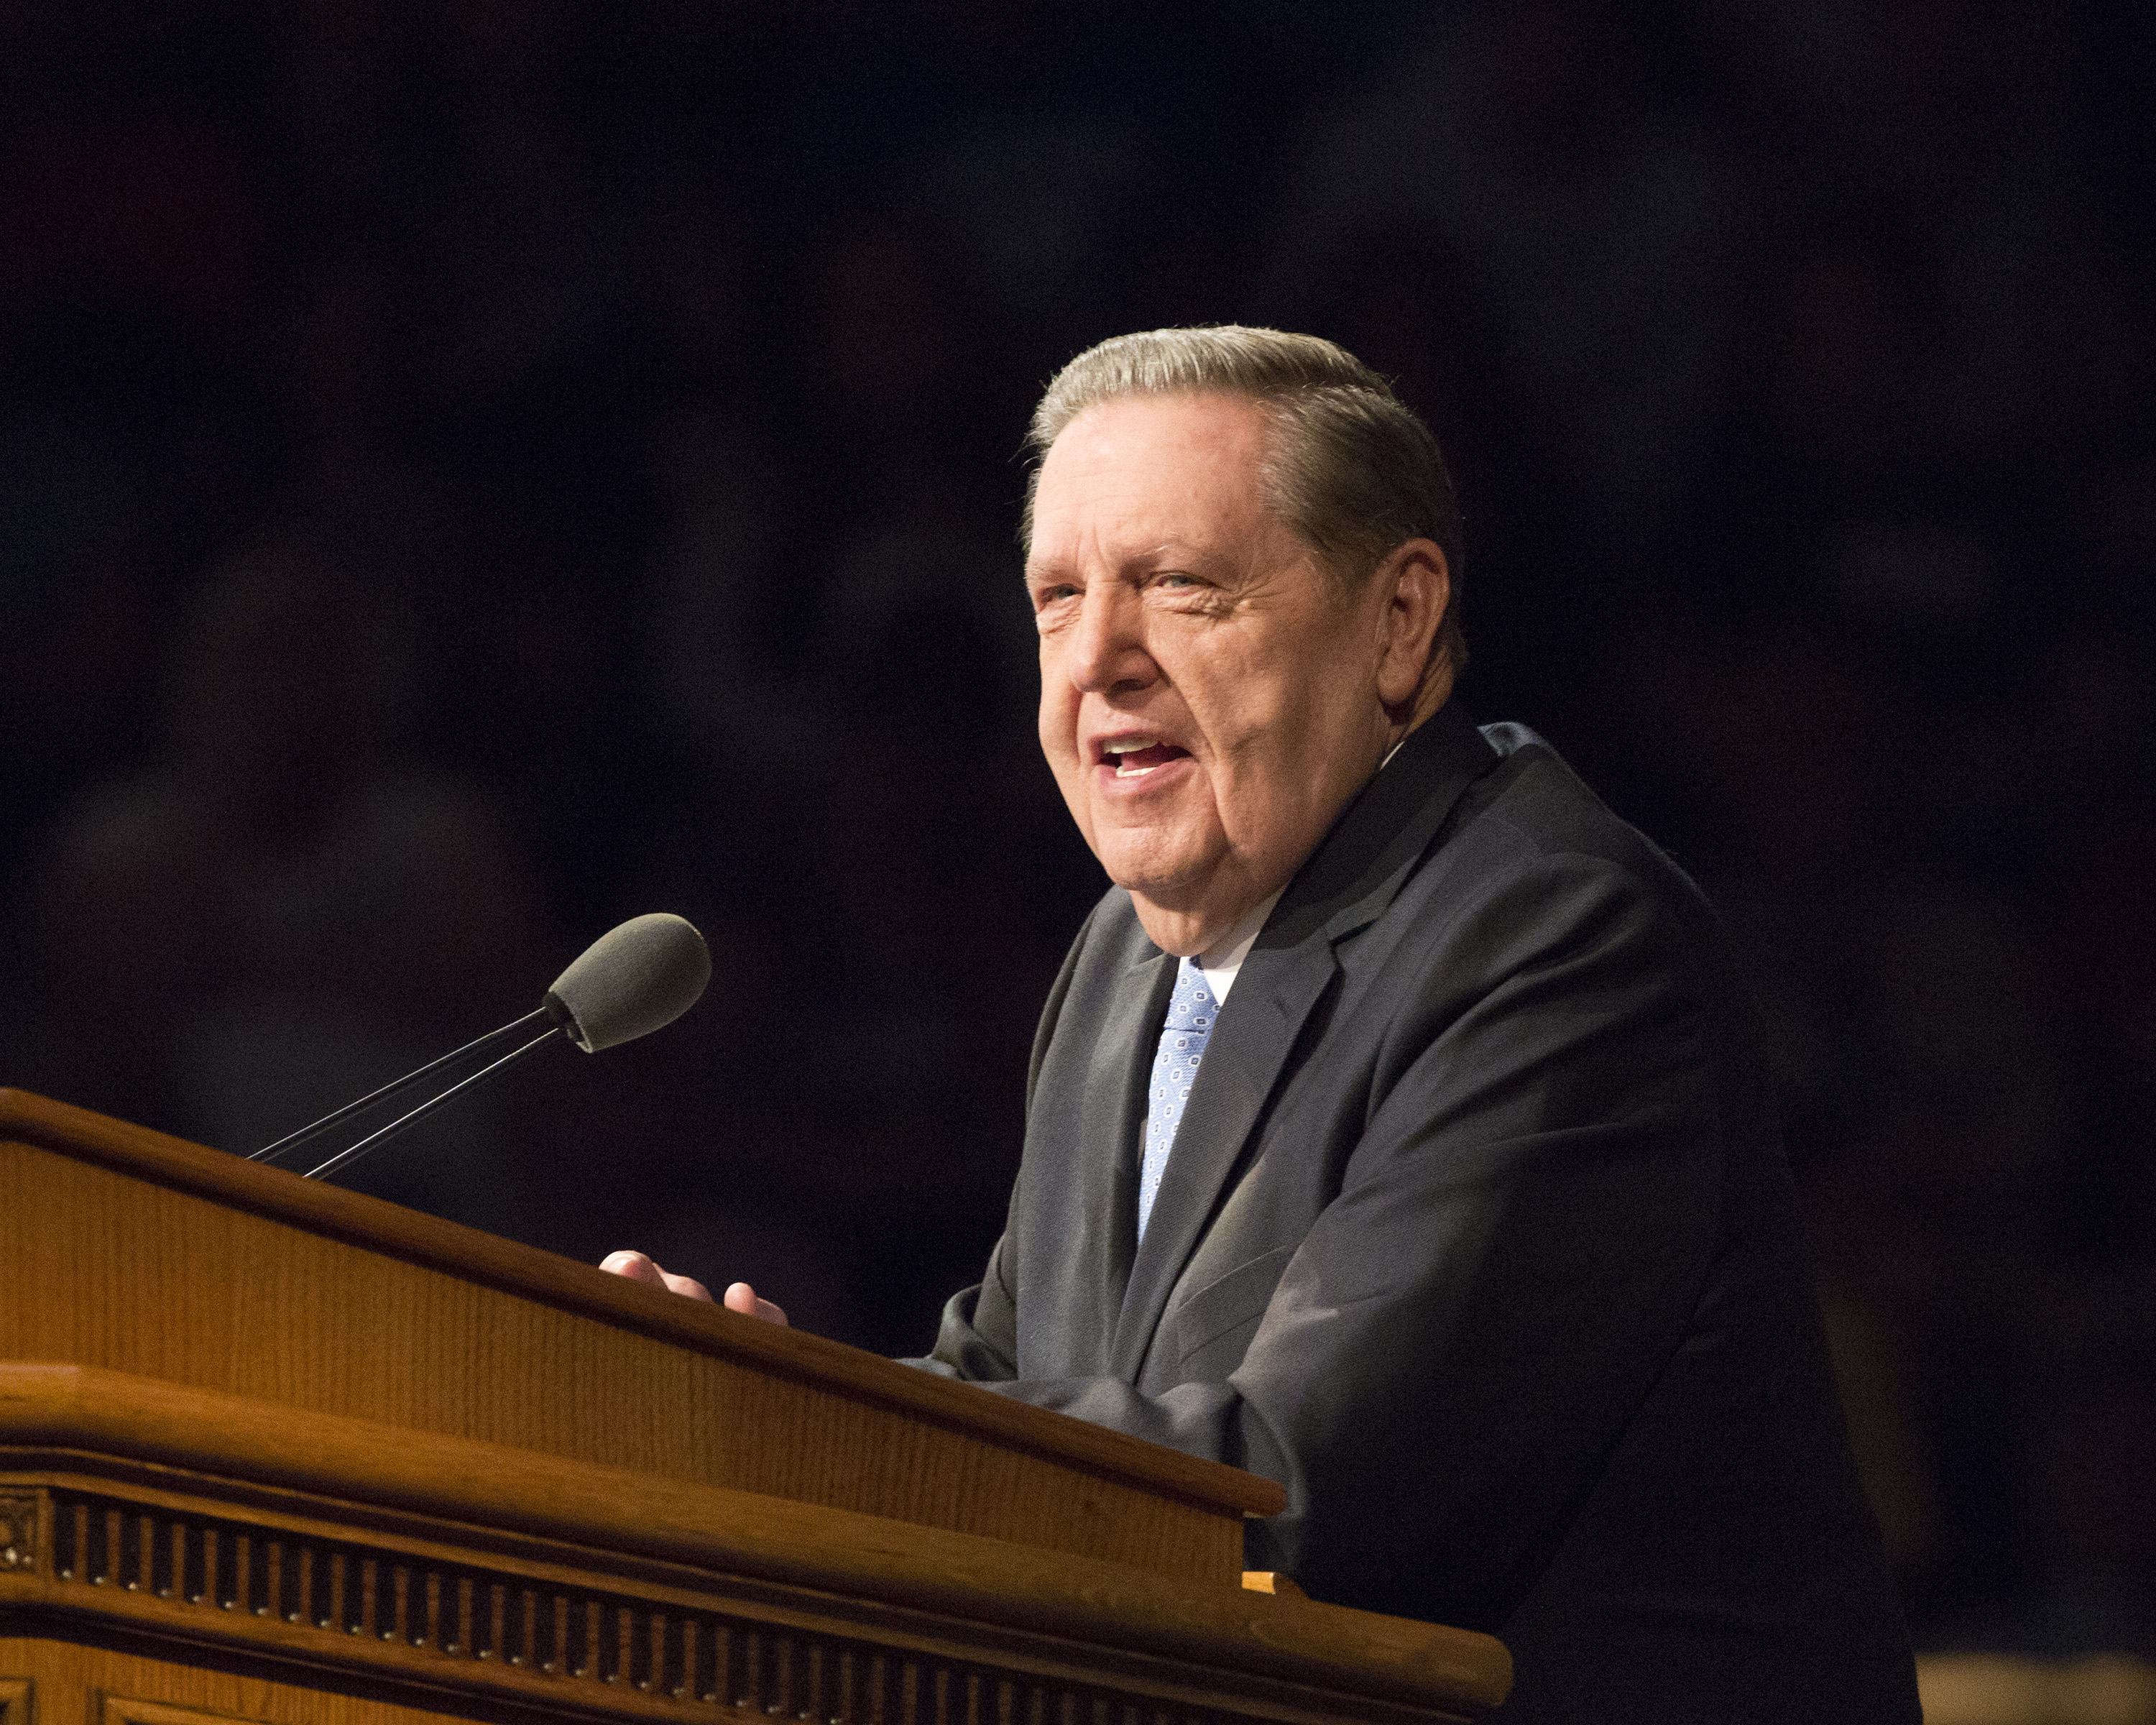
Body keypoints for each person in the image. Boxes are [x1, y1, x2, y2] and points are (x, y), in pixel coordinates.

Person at [606, 328, 1921, 1721]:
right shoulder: (1127, 952)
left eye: (1180, 585)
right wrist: (748, 1399)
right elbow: (1004, 1378)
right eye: (1058, 598)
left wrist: (801, 1436)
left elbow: (1292, 1489)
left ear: (1398, 622)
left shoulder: (1555, 943)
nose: (1096, 659)